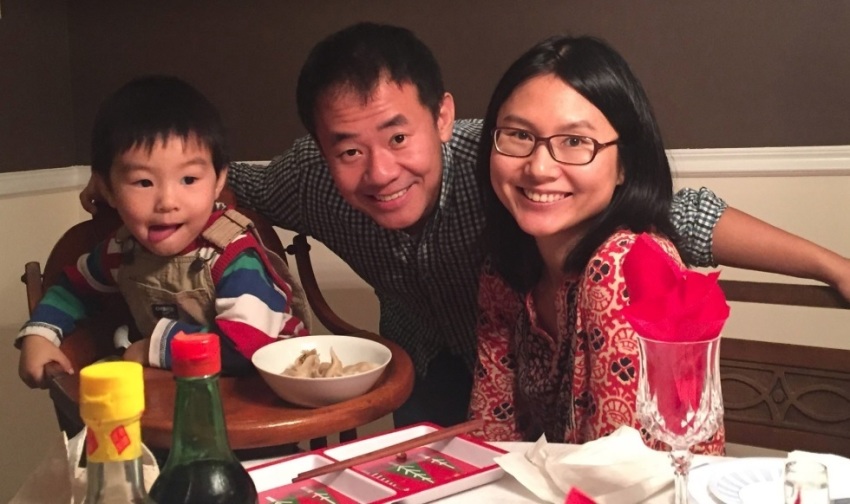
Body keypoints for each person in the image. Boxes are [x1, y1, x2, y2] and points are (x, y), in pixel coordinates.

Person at [78, 23, 850, 428]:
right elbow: (204, 182)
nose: (379, 172)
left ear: (443, 117)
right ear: (320, 148)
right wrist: (114, 197)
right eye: (348, 148)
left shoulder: (510, 157)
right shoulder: (306, 179)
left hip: (553, 362)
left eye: (399, 136)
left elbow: (675, 211)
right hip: (425, 361)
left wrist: (830, 264)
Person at [469, 35, 723, 453]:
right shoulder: (506, 263)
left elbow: (617, 470)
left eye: (574, 142)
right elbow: (491, 433)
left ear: (624, 164)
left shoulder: (626, 264)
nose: (539, 167)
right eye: (518, 134)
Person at [18, 76, 309, 388]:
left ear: (218, 181)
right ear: (108, 189)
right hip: (179, 392)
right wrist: (41, 332)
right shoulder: (122, 251)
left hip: (260, 396)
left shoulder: (234, 257)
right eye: (143, 182)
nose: (167, 202)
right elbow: (72, 287)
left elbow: (244, 350)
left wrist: (152, 348)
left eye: (189, 179)